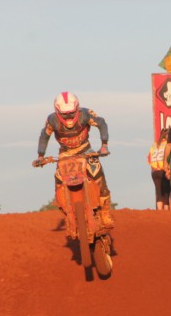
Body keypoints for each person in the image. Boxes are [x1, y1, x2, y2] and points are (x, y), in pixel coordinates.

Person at [33, 91, 115, 228]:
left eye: (71, 113)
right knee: (58, 182)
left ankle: (105, 212)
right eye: (65, 114)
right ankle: (66, 212)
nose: (69, 117)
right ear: (57, 111)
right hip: (65, 154)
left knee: (99, 176)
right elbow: (44, 136)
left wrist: (104, 145)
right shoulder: (52, 120)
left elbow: (101, 123)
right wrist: (41, 156)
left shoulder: (85, 114)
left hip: (85, 150)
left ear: (77, 108)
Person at [148, 129, 171, 210]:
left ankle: (159, 211)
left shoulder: (154, 145)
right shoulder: (168, 144)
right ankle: (165, 212)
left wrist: (154, 169)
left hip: (154, 171)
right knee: (166, 192)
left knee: (158, 192)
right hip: (163, 170)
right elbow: (169, 158)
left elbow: (149, 159)